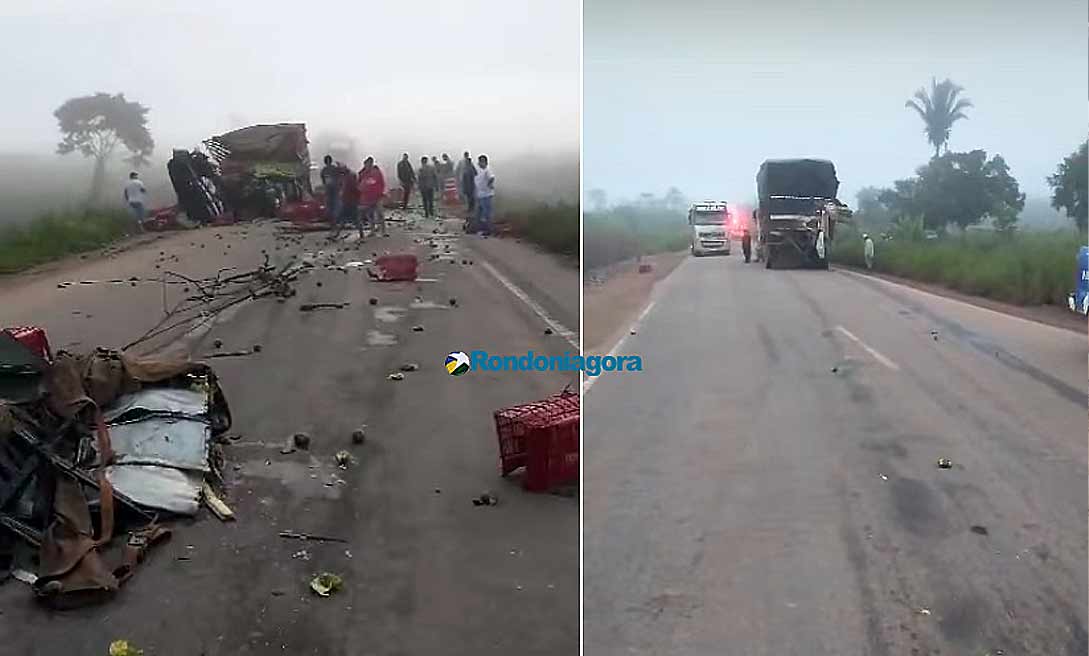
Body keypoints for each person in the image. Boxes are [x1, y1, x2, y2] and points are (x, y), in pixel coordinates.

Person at [359, 157, 387, 238]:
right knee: (370, 215)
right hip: (367, 197)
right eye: (366, 164)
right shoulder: (363, 173)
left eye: (369, 164)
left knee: (380, 214)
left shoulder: (377, 173)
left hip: (377, 197)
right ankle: (372, 231)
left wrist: (381, 192)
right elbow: (359, 183)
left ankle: (383, 231)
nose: (367, 165)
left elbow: (382, 183)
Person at [474, 154, 496, 236]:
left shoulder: (488, 170)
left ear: (484, 162)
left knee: (487, 214)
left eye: (480, 162)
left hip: (486, 195)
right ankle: (480, 228)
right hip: (480, 194)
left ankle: (489, 230)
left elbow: (492, 178)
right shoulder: (480, 170)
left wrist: (489, 185)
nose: (479, 164)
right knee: (479, 213)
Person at [337, 164, 360, 239]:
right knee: (353, 219)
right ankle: (361, 233)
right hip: (348, 200)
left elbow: (354, 189)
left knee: (345, 218)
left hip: (350, 201)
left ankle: (337, 233)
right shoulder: (347, 177)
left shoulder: (349, 178)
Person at [320, 155, 340, 222]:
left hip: (334, 189)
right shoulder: (324, 170)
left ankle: (334, 218)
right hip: (329, 189)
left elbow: (339, 177)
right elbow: (323, 180)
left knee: (334, 203)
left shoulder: (333, 169)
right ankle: (331, 218)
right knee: (330, 204)